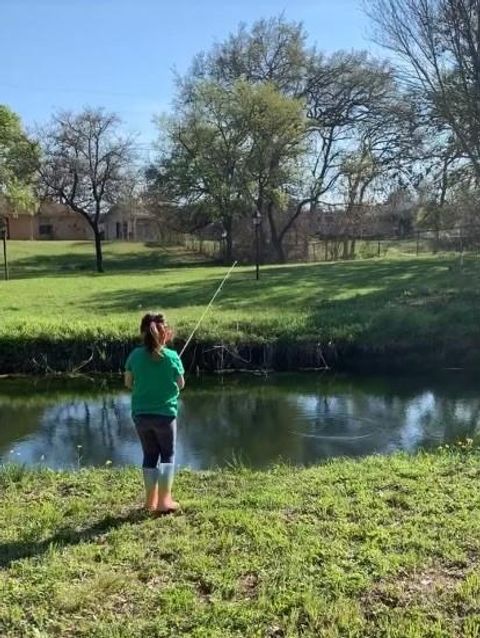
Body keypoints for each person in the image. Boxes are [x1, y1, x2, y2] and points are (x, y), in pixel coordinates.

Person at [125, 312, 185, 513]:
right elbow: (181, 384)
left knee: (150, 455)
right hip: (165, 416)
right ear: (165, 334)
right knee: (167, 455)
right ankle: (164, 502)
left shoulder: (134, 356)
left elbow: (128, 383)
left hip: (140, 416)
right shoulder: (173, 357)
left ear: (143, 333)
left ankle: (149, 502)